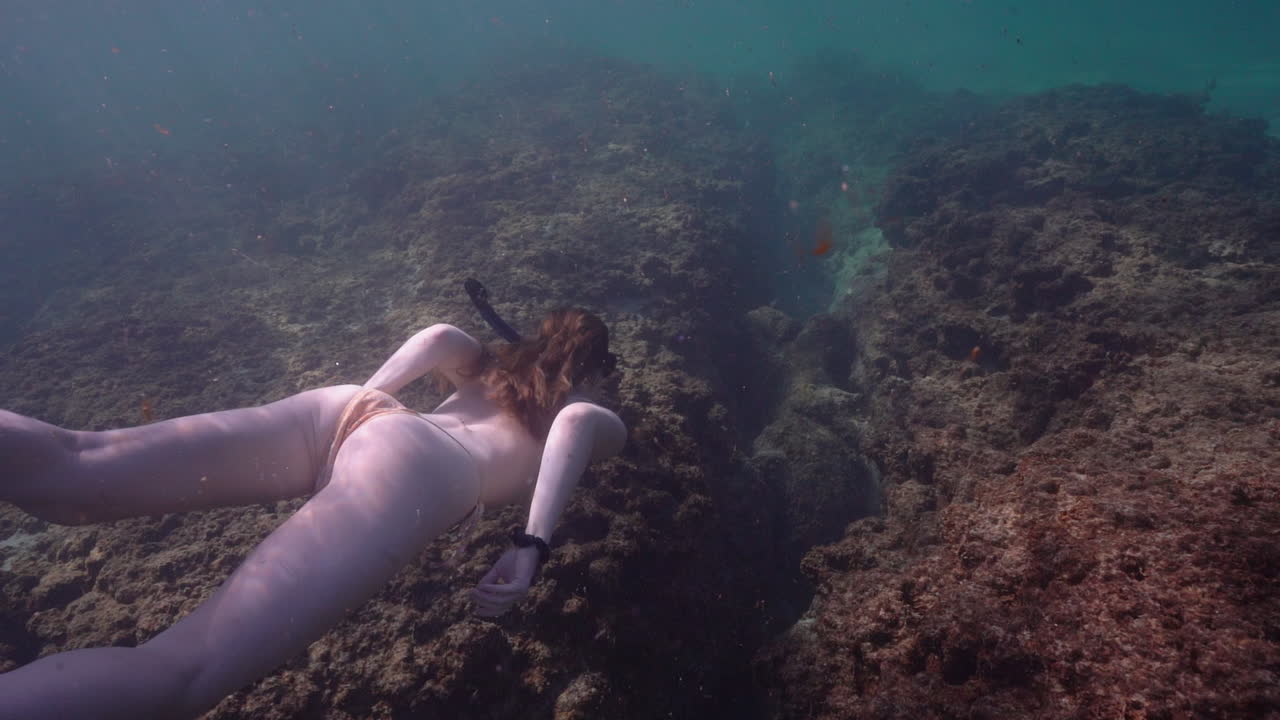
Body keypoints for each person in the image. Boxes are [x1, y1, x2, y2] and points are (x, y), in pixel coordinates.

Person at [0, 298, 627, 720]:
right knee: (177, 675)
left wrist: (369, 409)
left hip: (349, 408)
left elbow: (440, 336)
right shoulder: (593, 412)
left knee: (72, 467)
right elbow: (574, 421)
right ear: (596, 372)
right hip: (419, 465)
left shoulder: (489, 369)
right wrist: (531, 546)